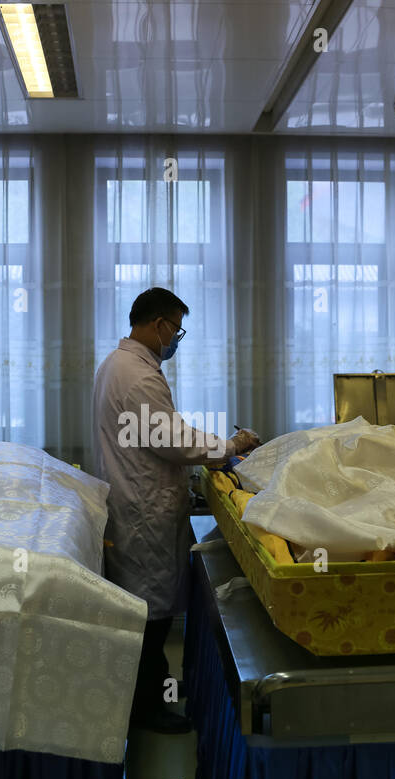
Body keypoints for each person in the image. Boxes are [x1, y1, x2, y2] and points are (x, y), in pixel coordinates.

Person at [93, 288, 260, 734]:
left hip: (136, 498)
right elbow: (173, 440)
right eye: (176, 329)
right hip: (142, 507)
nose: (176, 339)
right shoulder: (138, 376)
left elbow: (169, 430)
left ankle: (159, 688)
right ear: (158, 324)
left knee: (150, 608)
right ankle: (147, 707)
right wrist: (230, 446)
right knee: (148, 614)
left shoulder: (118, 365)